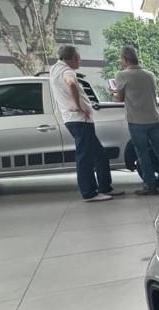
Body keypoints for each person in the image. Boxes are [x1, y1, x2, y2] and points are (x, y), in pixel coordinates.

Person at [49, 45, 122, 202]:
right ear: (71, 58)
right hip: (80, 120)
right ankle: (89, 193)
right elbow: (71, 84)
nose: (80, 61)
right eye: (78, 58)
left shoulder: (54, 69)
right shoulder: (67, 71)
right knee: (85, 157)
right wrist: (78, 106)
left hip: (73, 119)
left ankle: (105, 187)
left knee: (100, 155)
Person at [113, 45, 159, 196]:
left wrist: (114, 94)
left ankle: (150, 185)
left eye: (121, 59)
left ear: (125, 59)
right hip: (153, 119)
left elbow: (119, 98)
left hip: (136, 121)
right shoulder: (150, 75)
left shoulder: (122, 75)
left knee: (143, 154)